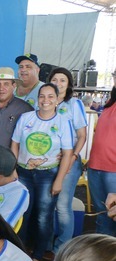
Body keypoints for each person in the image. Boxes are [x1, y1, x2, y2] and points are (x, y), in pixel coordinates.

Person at [11, 83, 73, 261]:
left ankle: (37, 255)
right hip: (23, 173)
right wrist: (13, 168)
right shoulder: (26, 118)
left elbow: (68, 153)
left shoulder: (63, 121)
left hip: (48, 175)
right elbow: (14, 144)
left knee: (43, 216)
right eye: (42, 96)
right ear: (37, 99)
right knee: (23, 213)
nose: (45, 100)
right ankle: (19, 252)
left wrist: (59, 180)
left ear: (56, 100)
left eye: (50, 96)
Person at [49, 67, 88, 251]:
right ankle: (47, 244)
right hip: (47, 162)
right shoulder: (45, 102)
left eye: (63, 80)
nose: (58, 83)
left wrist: (72, 156)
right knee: (47, 205)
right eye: (55, 79)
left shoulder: (74, 104)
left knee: (63, 206)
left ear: (69, 84)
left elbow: (82, 135)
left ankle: (62, 248)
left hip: (69, 162)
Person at [87, 85, 116, 236]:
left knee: (113, 213)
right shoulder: (110, 103)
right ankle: (104, 252)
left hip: (113, 169)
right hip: (95, 166)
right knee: (102, 213)